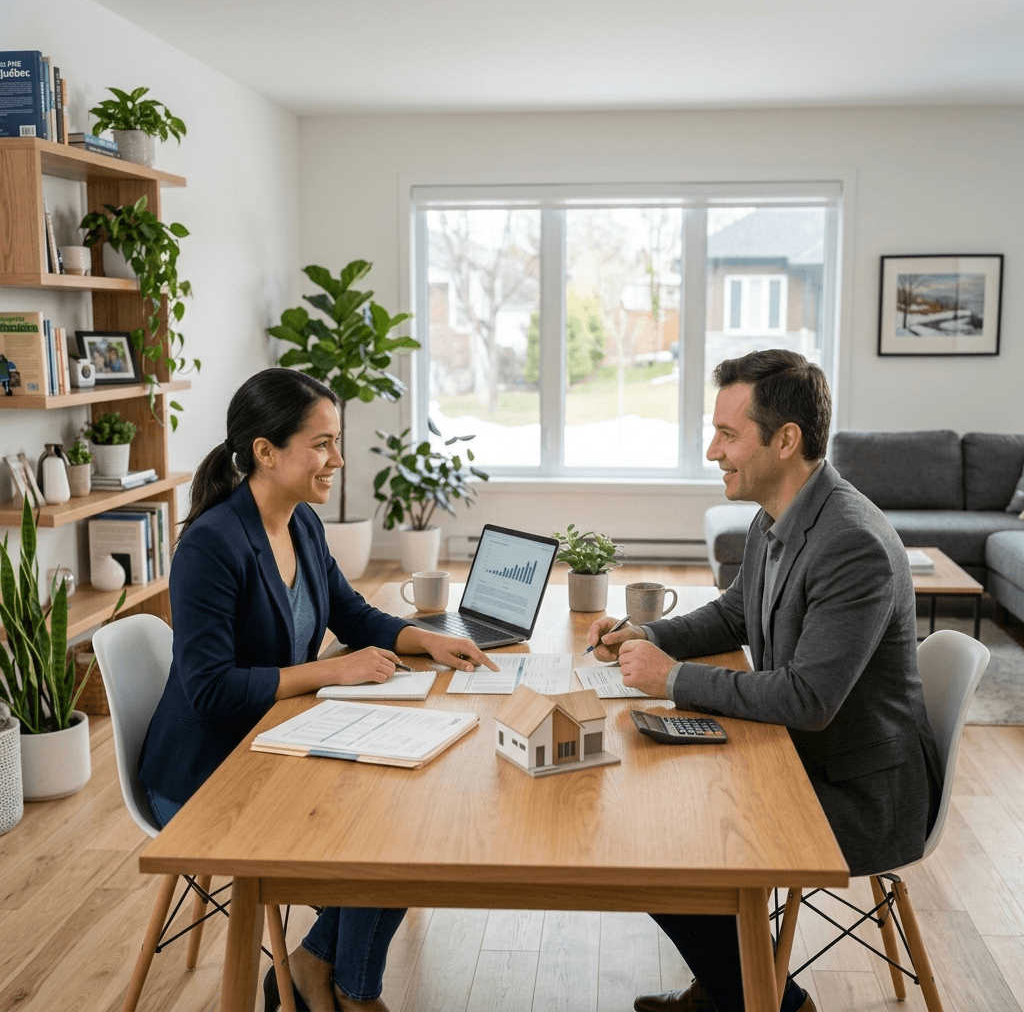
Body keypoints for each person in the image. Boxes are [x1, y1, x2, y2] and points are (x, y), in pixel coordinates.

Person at [586, 350, 942, 1012]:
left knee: (661, 840)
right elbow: (733, 614)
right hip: (792, 760)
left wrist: (672, 678)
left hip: (858, 794)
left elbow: (808, 699)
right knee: (658, 815)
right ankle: (731, 985)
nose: (712, 450)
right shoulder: (775, 515)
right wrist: (650, 636)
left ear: (786, 441)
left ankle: (773, 1000)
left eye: (728, 434)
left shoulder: (851, 542)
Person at [138, 367, 499, 1012]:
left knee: (404, 810)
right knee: (377, 833)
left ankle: (314, 966)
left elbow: (352, 615)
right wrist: (331, 671)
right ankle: (350, 992)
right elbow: (210, 690)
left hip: (277, 740)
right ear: (265, 452)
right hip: (204, 770)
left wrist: (428, 640)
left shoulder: (300, 524)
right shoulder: (210, 546)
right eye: (323, 443)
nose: (338, 459)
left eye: (338, 441)